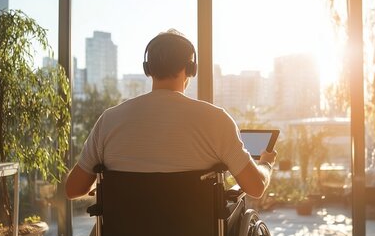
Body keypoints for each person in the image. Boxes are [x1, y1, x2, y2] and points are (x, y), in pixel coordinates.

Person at [65, 29, 276, 200]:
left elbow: (73, 189)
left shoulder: (109, 120)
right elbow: (255, 188)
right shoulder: (216, 120)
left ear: (148, 68)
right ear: (191, 68)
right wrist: (265, 164)